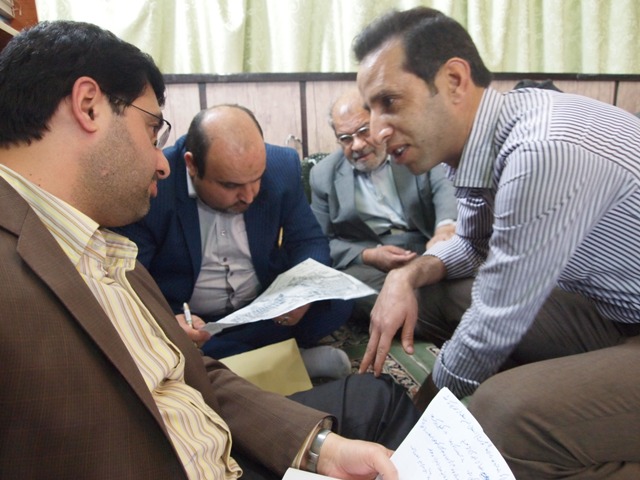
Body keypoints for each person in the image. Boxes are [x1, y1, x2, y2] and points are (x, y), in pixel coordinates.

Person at [0, 20, 422, 479]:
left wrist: (317, 447)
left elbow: (182, 371)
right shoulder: (101, 230)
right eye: (151, 131)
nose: (158, 163)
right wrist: (179, 326)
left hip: (224, 403)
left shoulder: (98, 243)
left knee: (374, 391)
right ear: (89, 107)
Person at [353, 6, 640, 479]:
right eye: (371, 110)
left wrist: (415, 427)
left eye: (389, 102)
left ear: (453, 80)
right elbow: (471, 247)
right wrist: (405, 276)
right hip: (613, 313)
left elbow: (494, 320)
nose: (377, 130)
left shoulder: (540, 149)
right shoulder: (484, 142)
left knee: (501, 414)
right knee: (443, 293)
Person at [115, 104, 353, 379]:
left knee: (336, 301)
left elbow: (308, 241)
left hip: (265, 309)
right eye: (231, 186)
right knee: (160, 337)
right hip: (196, 320)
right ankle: (285, 361)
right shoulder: (155, 182)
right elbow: (130, 276)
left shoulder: (281, 166)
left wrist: (300, 290)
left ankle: (226, 368)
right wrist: (167, 319)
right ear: (192, 165)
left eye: (257, 179)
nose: (249, 196)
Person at [309, 87, 458, 321]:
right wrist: (368, 255)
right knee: (346, 289)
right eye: (346, 139)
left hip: (429, 249)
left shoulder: (413, 146)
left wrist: (446, 227)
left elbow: (444, 184)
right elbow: (320, 241)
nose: (357, 145)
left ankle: (411, 314)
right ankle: (431, 313)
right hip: (373, 267)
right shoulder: (323, 175)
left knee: (469, 273)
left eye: (364, 131)